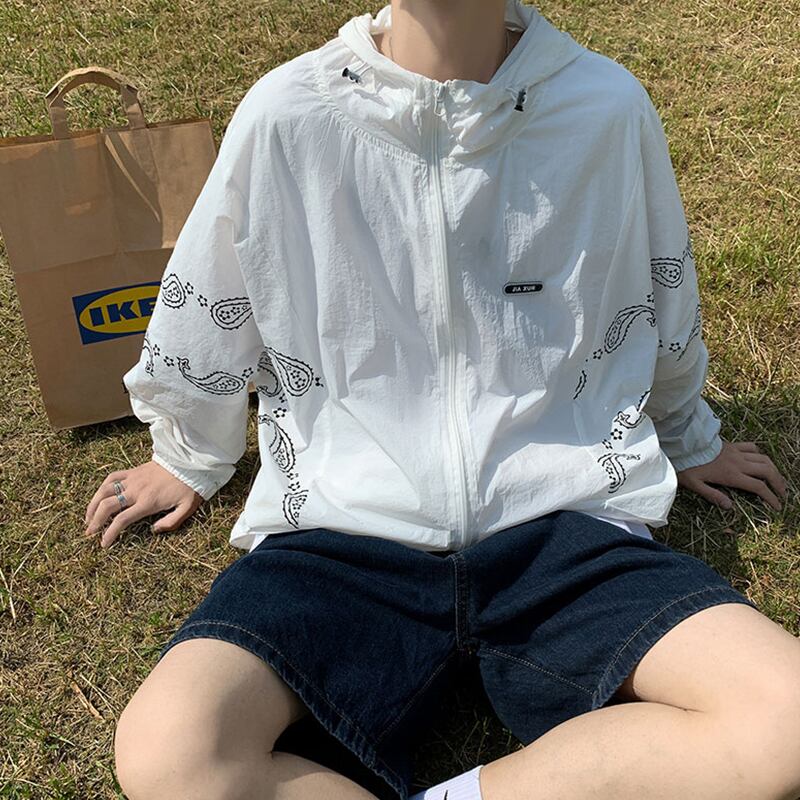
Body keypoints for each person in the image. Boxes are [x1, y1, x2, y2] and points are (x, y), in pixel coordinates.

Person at [84, 0, 799, 798]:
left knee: (787, 720)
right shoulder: (289, 112)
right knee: (172, 752)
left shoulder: (602, 106)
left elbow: (658, 284)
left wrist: (687, 434)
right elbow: (218, 284)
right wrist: (188, 451)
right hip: (341, 535)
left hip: (564, 529)